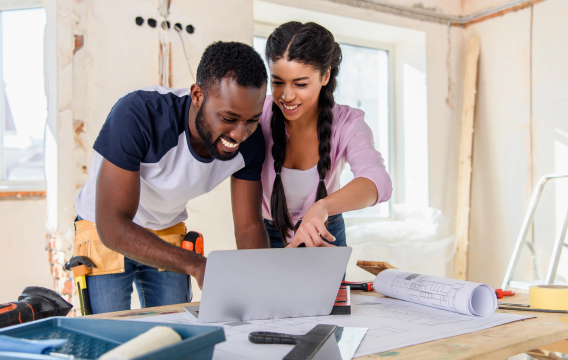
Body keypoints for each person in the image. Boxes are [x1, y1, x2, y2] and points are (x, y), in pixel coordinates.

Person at [73, 41, 269, 314]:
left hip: (166, 227)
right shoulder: (138, 115)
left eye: (251, 120)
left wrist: (263, 287)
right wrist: (197, 264)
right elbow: (112, 223)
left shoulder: (252, 140)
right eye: (228, 117)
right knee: (109, 334)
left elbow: (249, 225)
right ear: (198, 96)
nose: (239, 134)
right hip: (103, 227)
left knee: (174, 332)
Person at [259, 22, 392, 249]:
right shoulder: (258, 113)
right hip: (267, 232)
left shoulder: (349, 123)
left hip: (324, 231)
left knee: (333, 288)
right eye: (277, 82)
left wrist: (323, 207)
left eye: (300, 84)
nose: (286, 96)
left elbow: (379, 182)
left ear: (325, 76)